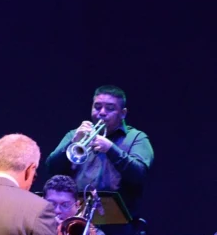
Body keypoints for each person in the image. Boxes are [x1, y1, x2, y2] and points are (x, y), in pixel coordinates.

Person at [45, 85, 154, 224]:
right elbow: (51, 168)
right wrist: (72, 143)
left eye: (110, 108)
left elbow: (139, 175)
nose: (102, 112)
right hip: (76, 217)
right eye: (97, 107)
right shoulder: (75, 134)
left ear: (123, 113)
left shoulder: (137, 138)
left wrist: (110, 149)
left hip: (118, 221)